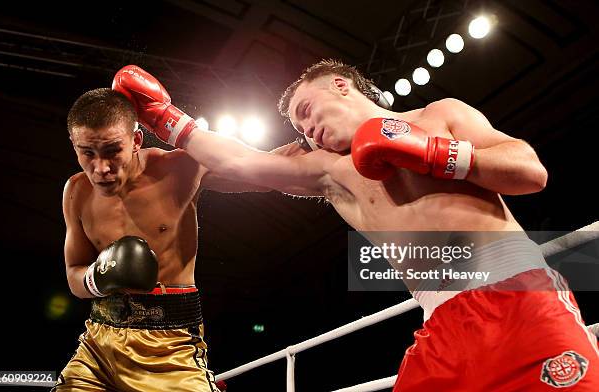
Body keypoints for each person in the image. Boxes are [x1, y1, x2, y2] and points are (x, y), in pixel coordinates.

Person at [113, 61, 599, 391]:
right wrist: (164, 118)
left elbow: (531, 171)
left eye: (307, 112)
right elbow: (242, 164)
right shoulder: (326, 168)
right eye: (299, 131)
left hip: (520, 297)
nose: (308, 132)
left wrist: (436, 154)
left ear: (340, 86)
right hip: (444, 325)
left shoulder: (439, 115)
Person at [55, 87, 257, 391]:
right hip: (97, 343)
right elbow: (74, 274)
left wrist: (177, 124)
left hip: (169, 346)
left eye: (112, 150)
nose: (101, 168)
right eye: (87, 153)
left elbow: (260, 169)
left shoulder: (179, 169)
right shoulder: (76, 191)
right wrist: (97, 277)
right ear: (74, 145)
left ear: (136, 140)